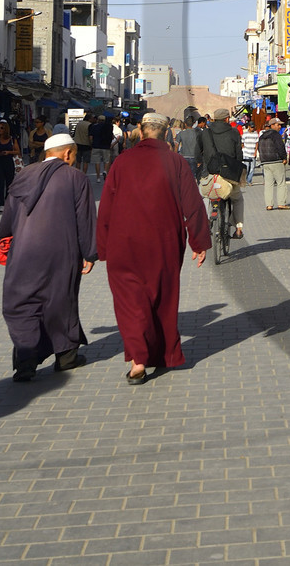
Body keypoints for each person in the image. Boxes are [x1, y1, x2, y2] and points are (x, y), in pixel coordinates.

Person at [95, 113, 210, 385]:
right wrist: (199, 241)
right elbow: (192, 204)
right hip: (164, 243)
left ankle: (138, 361)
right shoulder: (175, 162)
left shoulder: (122, 161)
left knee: (130, 302)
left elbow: (106, 207)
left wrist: (101, 247)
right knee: (162, 299)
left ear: (141, 131)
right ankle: (161, 354)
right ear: (166, 132)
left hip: (124, 244)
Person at [0, 132, 96, 383]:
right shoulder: (76, 177)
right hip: (63, 251)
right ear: (68, 153)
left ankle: (26, 362)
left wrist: (3, 239)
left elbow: (8, 217)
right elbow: (85, 219)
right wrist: (90, 253)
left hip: (23, 251)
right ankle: (66, 357)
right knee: (62, 300)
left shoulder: (24, 175)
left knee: (22, 303)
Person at [199, 107, 246, 239]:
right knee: (237, 199)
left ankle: (209, 219)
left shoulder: (206, 133)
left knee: (213, 195)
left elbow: (199, 150)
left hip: (212, 171)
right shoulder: (234, 132)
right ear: (226, 119)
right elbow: (239, 154)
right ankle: (238, 229)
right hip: (229, 172)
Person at [257, 118, 288, 210]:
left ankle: (269, 205)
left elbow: (259, 148)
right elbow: (280, 147)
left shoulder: (262, 136)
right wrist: (284, 158)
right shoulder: (276, 135)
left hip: (265, 162)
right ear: (272, 125)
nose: (280, 127)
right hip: (276, 161)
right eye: (278, 125)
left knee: (268, 184)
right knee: (281, 183)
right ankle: (281, 203)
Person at [0, 120, 21, 208]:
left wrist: (8, 152)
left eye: (2, 128)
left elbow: (18, 151)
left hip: (9, 162)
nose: (0, 130)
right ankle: (1, 204)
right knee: (0, 184)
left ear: (6, 129)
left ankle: (8, 201)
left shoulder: (12, 139)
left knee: (9, 183)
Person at [88, 113, 114, 180]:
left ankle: (98, 177)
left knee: (97, 162)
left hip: (96, 146)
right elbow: (112, 137)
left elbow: (91, 137)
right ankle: (105, 171)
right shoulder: (108, 127)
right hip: (106, 146)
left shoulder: (93, 127)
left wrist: (91, 144)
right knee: (106, 160)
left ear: (98, 120)